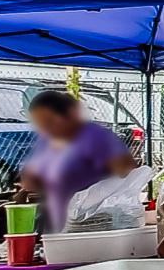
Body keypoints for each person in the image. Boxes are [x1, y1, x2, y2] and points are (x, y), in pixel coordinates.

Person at [16, 89, 133, 232]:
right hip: (57, 221)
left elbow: (128, 174)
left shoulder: (96, 137)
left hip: (95, 222)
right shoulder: (47, 140)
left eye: (48, 121)